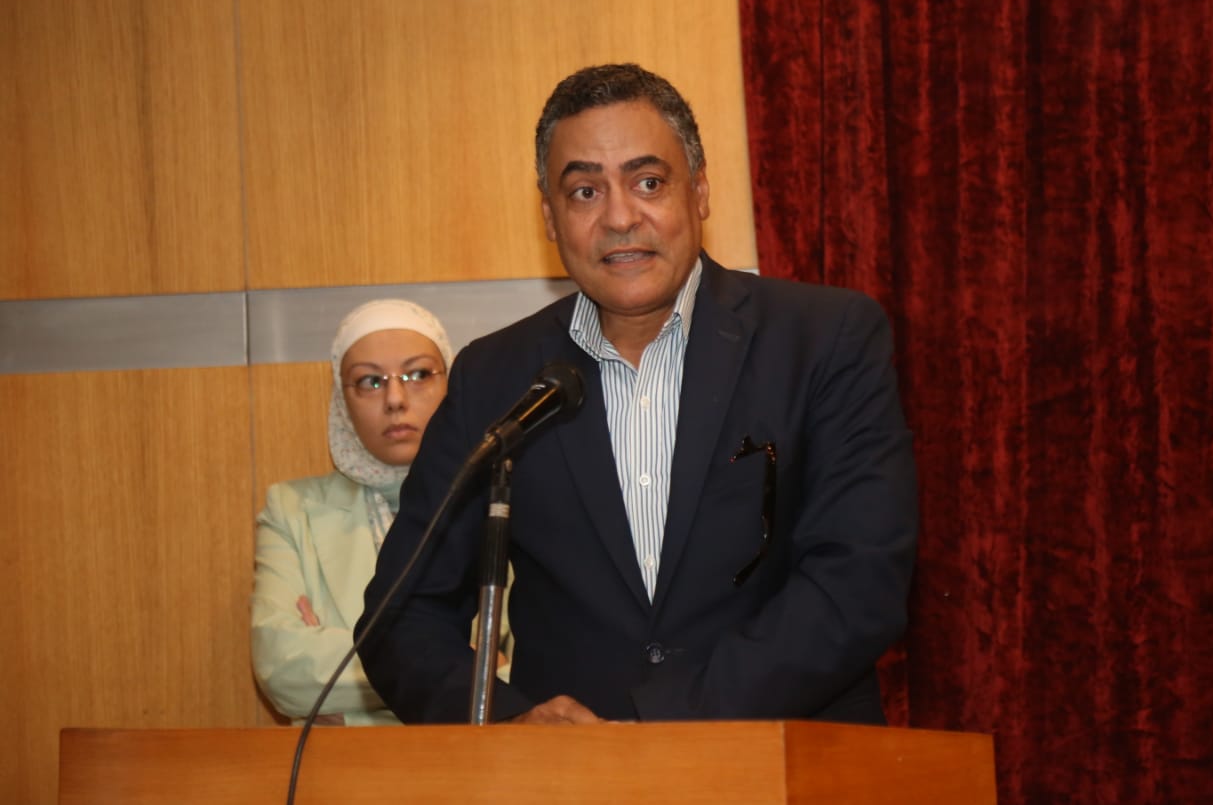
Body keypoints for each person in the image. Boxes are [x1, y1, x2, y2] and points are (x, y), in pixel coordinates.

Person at [357, 64, 918, 725]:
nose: (621, 218)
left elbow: (857, 582)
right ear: (550, 216)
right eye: (585, 192)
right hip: (569, 775)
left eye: (648, 182)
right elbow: (401, 616)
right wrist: (512, 728)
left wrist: (655, 726)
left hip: (786, 758)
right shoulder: (495, 376)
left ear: (699, 191)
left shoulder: (824, 339)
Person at [252, 298, 509, 725]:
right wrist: (464, 665)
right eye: (370, 381)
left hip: (470, 761)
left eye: (418, 374)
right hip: (348, 768)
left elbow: (533, 672)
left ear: (451, 384)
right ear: (342, 400)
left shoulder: (500, 501)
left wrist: (345, 702)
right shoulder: (293, 511)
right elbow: (281, 670)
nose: (395, 399)